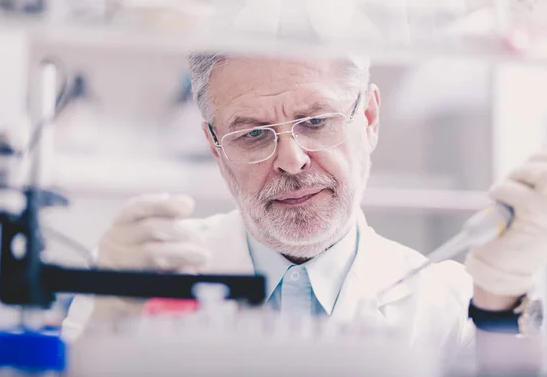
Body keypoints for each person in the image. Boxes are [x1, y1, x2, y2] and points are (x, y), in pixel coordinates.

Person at [62, 53, 547, 360]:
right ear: (215, 148)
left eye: (315, 121)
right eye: (252, 133)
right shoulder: (143, 282)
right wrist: (106, 322)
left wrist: (501, 306)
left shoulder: (448, 306)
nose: (291, 161)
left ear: (370, 119)